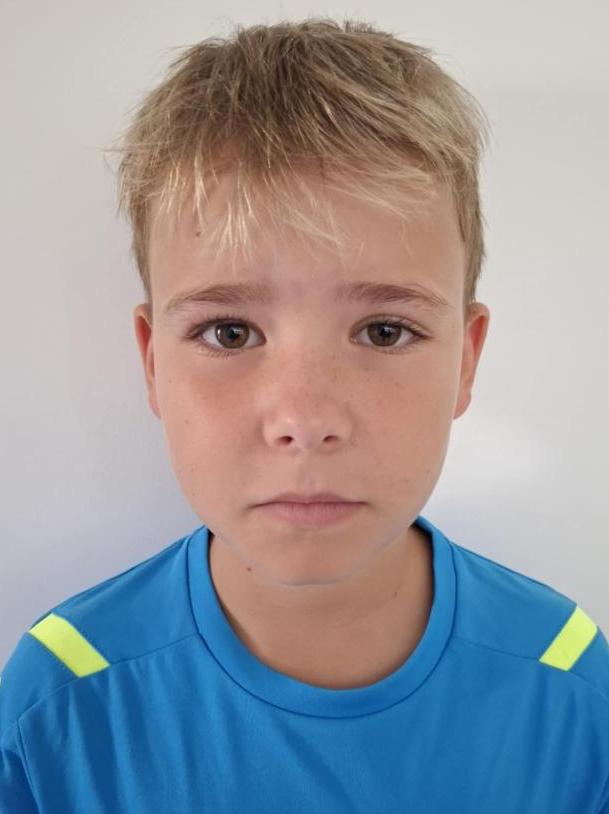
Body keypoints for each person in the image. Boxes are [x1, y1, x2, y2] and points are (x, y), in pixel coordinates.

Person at [1, 17, 608, 813]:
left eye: (384, 331)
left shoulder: (566, 677)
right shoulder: (62, 694)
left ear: (464, 360)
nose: (304, 419)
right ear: (152, 362)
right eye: (229, 332)